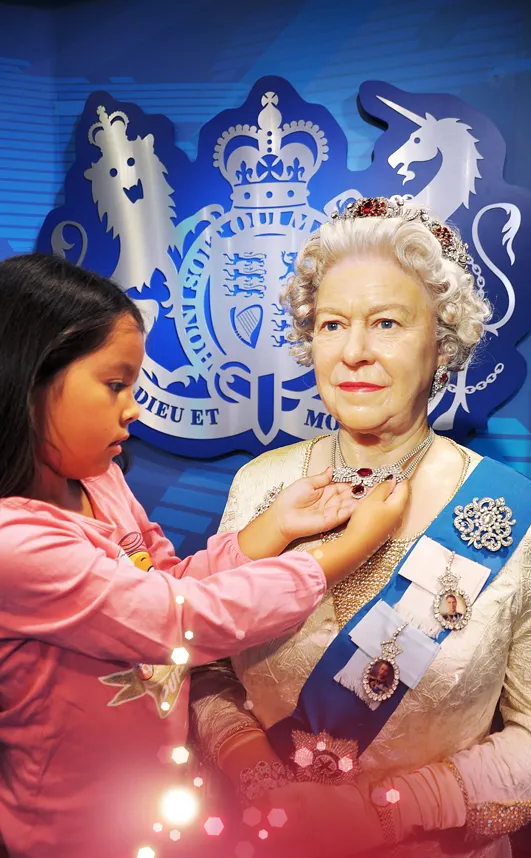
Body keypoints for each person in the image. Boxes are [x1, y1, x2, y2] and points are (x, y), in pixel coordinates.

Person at [189, 196, 531, 858]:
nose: (353, 353)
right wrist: (261, 778)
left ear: (441, 343)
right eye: (332, 325)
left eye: (386, 323)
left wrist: (386, 813)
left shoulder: (512, 512)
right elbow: (207, 673)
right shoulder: (259, 487)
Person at [0, 253, 408, 858]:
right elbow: (177, 619)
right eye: (115, 385)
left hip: (156, 805)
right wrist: (343, 552)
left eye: (389, 324)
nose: (133, 409)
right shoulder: (15, 545)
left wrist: (273, 527)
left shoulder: (99, 477)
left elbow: (164, 581)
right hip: (68, 832)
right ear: (27, 376)